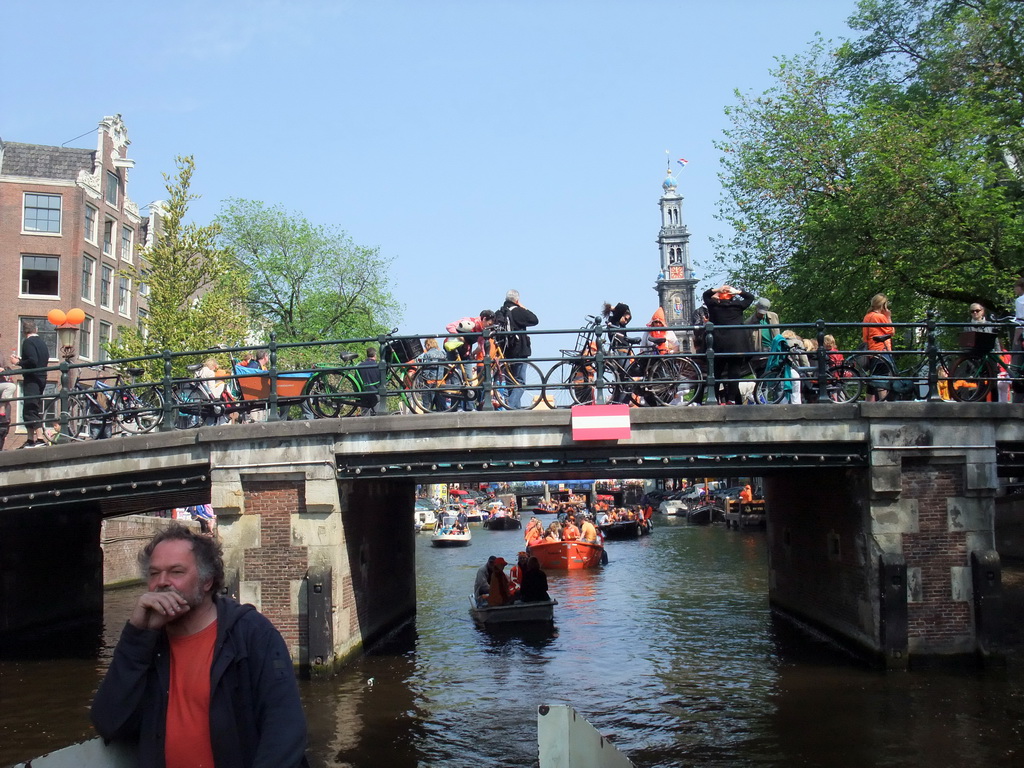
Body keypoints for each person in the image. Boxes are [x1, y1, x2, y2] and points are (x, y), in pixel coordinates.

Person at [91, 523, 309, 768]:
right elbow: (109, 723)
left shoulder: (252, 634)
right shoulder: (147, 644)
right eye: (154, 574)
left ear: (207, 582)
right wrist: (137, 634)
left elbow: (285, 729)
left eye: (176, 572)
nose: (162, 583)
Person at [702, 285, 755, 404]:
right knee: (734, 374)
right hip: (737, 345)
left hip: (719, 345)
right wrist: (737, 291)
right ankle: (731, 399)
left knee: (716, 373)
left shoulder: (714, 307)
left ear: (720, 297)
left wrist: (717, 290)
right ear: (731, 297)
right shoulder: (737, 306)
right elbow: (750, 298)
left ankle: (713, 398)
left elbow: (706, 295)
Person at [9, 320, 50, 447]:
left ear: (24, 331)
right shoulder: (42, 343)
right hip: (42, 377)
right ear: (36, 329)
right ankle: (30, 439)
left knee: (30, 407)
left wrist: (17, 363)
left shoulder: (27, 342)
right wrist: (23, 360)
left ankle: (39, 438)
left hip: (32, 379)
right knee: (31, 406)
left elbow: (32, 361)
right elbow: (40, 360)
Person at [444, 310, 496, 411]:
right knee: (457, 380)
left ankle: (470, 408)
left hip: (465, 352)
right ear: (484, 319)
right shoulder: (468, 321)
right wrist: (459, 336)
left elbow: (481, 344)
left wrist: (486, 359)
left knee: (469, 380)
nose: (489, 326)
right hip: (454, 350)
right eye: (489, 324)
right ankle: (456, 408)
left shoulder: (482, 330)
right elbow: (449, 326)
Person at [497, 290, 539, 409]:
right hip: (520, 350)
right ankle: (510, 406)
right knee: (520, 382)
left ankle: (515, 409)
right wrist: (523, 308)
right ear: (517, 300)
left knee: (510, 383)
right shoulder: (518, 311)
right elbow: (534, 320)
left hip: (505, 350)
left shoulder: (500, 312)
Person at [862, 293, 895, 402]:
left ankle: (868, 401)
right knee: (882, 376)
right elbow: (891, 331)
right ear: (883, 304)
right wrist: (888, 316)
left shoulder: (867, 316)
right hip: (882, 349)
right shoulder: (880, 317)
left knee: (873, 376)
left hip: (871, 350)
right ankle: (883, 401)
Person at [744, 298, 781, 376]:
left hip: (774, 352)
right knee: (762, 378)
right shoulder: (748, 323)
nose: (761, 314)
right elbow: (746, 341)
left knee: (777, 376)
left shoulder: (774, 316)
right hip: (759, 357)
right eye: (759, 311)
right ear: (756, 308)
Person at [413, 338, 448, 411]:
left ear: (428, 345)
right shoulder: (442, 353)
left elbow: (426, 370)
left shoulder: (427, 355)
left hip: (429, 383)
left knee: (427, 407)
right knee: (442, 407)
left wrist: (422, 378)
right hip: (440, 382)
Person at [356, 347, 382, 415]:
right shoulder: (378, 366)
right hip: (376, 393)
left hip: (364, 394)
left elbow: (356, 382)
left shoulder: (359, 366)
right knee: (377, 415)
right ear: (375, 355)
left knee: (365, 415)